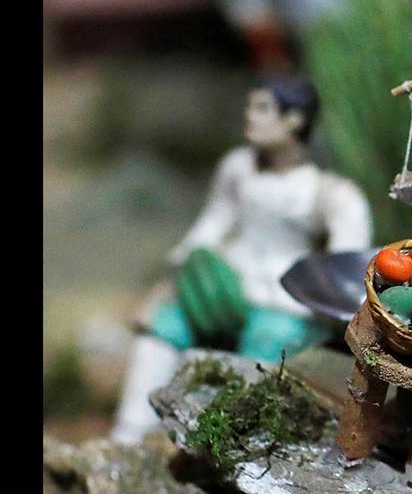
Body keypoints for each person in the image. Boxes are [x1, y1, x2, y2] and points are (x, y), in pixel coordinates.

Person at [110, 75, 372, 442]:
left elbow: (344, 266)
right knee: (163, 328)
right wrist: (175, 274)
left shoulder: (329, 194)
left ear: (294, 120)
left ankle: (220, 447)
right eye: (250, 106)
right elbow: (213, 222)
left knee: (261, 353)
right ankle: (129, 433)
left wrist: (333, 312)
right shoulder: (238, 167)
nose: (250, 116)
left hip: (283, 302)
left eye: (262, 108)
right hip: (226, 287)